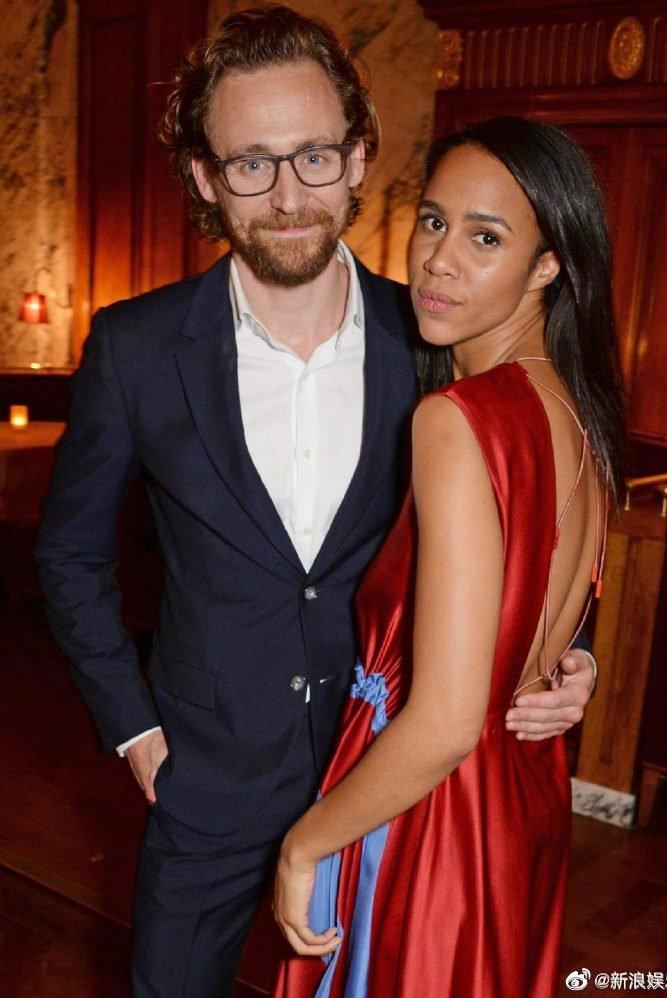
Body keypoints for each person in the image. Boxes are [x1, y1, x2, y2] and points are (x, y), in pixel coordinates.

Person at [35, 7, 596, 995]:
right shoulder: (134, 347)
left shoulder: (434, 338)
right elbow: (70, 555)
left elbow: (527, 509)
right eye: (252, 163)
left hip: (386, 782)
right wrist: (134, 726)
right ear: (205, 178)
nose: (290, 195)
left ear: (358, 156)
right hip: (205, 779)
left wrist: (566, 656)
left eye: (314, 156)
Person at [272, 116, 626, 997]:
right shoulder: (579, 420)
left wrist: (304, 844)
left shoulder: (457, 421)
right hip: (518, 801)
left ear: (547, 267)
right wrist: (574, 665)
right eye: (434, 221)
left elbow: (443, 723)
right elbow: (531, 628)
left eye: (485, 237)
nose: (438, 259)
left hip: (427, 818)